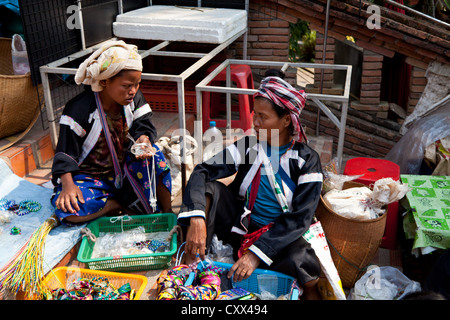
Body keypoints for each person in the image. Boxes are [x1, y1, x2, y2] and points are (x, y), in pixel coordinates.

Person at [178, 71, 323, 299]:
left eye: (263, 117)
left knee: (304, 262)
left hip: (278, 238)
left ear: (286, 120)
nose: (255, 123)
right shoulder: (248, 146)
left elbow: (301, 218)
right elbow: (202, 170)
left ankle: (309, 294)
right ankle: (192, 258)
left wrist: (256, 254)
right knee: (209, 189)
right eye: (255, 114)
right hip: (241, 227)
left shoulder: (307, 160)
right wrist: (197, 219)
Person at [51, 40, 172, 226]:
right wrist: (68, 185)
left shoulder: (134, 99)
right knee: (68, 211)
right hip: (91, 179)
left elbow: (143, 125)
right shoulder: (79, 109)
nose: (133, 91)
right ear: (105, 81)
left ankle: (168, 213)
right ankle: (113, 205)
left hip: (126, 172)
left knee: (156, 157)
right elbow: (65, 152)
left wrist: (143, 139)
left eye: (137, 84)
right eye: (126, 86)